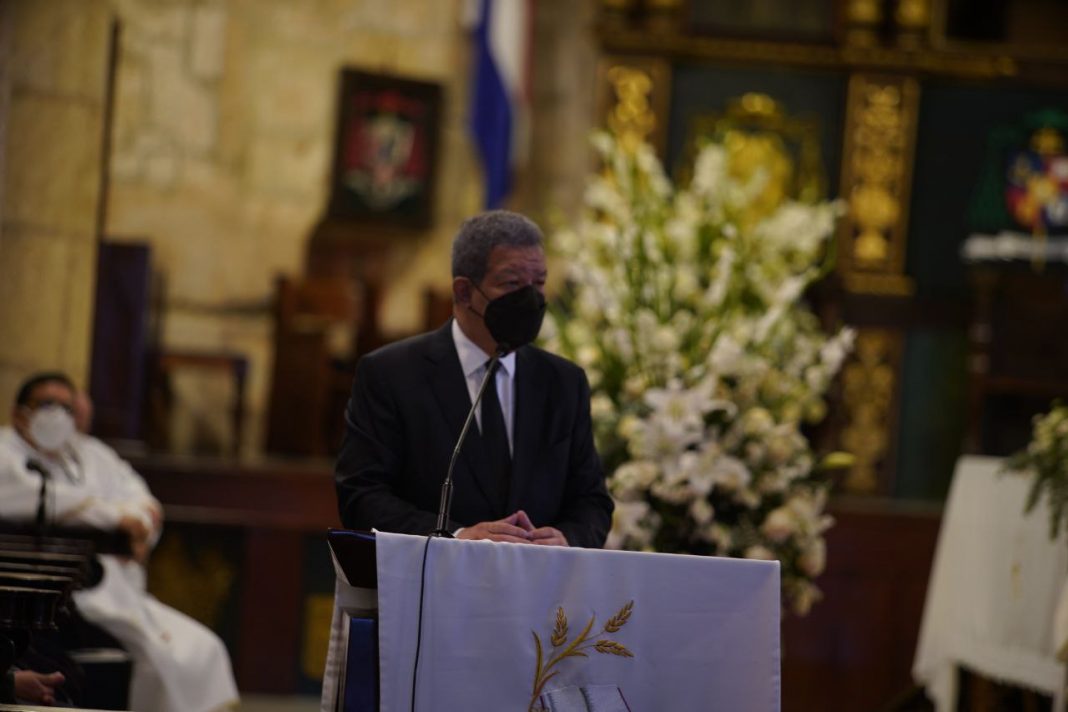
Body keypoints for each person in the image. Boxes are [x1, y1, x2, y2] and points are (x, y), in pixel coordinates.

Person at [335, 210, 614, 548]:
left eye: (539, 283)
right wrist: (457, 537)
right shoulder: (391, 374)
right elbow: (362, 495)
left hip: (538, 589)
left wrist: (568, 538)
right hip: (433, 586)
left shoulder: (564, 383)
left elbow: (592, 501)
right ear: (465, 292)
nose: (531, 298)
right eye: (512, 283)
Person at [0, 373, 239, 712]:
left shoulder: (89, 452)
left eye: (66, 407)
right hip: (68, 593)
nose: (57, 415)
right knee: (161, 661)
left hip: (122, 588)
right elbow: (31, 498)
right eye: (46, 404)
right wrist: (116, 518)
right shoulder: (5, 450)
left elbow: (141, 498)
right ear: (20, 412)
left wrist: (139, 527)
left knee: (206, 648)